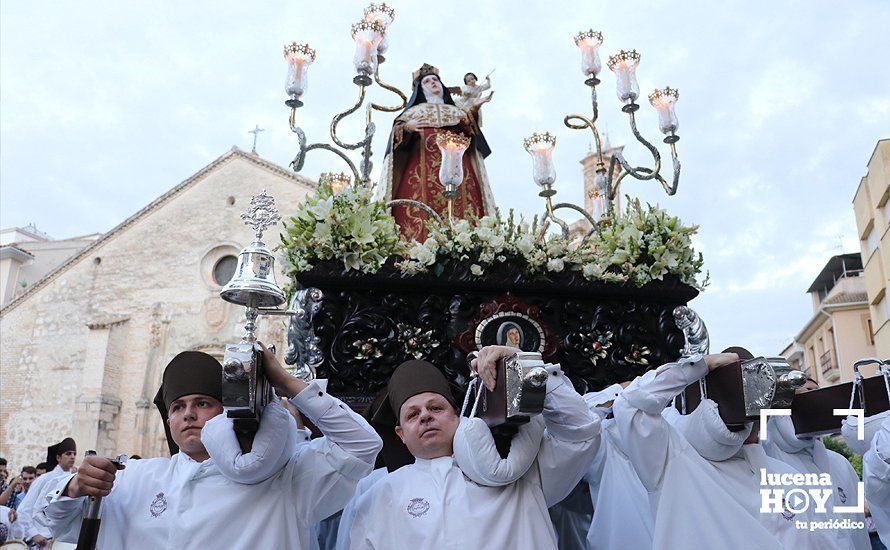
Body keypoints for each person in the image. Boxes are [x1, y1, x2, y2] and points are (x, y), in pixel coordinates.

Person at [37, 347, 382, 549]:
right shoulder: (135, 477)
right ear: (169, 422)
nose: (189, 414)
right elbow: (58, 523)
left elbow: (362, 444)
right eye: (178, 407)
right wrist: (75, 487)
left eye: (202, 403)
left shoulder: (285, 480)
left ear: (226, 413)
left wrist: (285, 382)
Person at [346, 346, 601, 549]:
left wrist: (526, 366)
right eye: (413, 415)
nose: (425, 416)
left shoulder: (523, 471)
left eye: (436, 408)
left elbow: (581, 431)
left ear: (458, 415)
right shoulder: (379, 496)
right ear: (400, 434)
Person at [613, 348, 832, 549]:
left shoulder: (785, 475)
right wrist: (699, 366)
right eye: (739, 386)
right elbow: (629, 405)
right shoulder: (671, 460)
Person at [377, 63, 497, 242]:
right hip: (421, 170)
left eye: (435, 80)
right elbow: (396, 138)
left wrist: (474, 109)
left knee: (466, 215)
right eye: (428, 81)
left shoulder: (456, 111)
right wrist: (407, 127)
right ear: (421, 89)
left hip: (460, 172)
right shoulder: (413, 112)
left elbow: (470, 129)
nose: (433, 83)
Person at [763, 378, 870, 550]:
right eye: (804, 392)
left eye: (817, 391)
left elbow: (858, 532)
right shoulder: (766, 460)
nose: (814, 398)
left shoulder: (839, 463)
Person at [15, 437, 77, 547]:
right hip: (44, 542)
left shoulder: (75, 480)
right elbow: (23, 510)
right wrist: (34, 534)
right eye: (68, 453)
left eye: (74, 454)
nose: (72, 457)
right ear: (58, 457)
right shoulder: (44, 480)